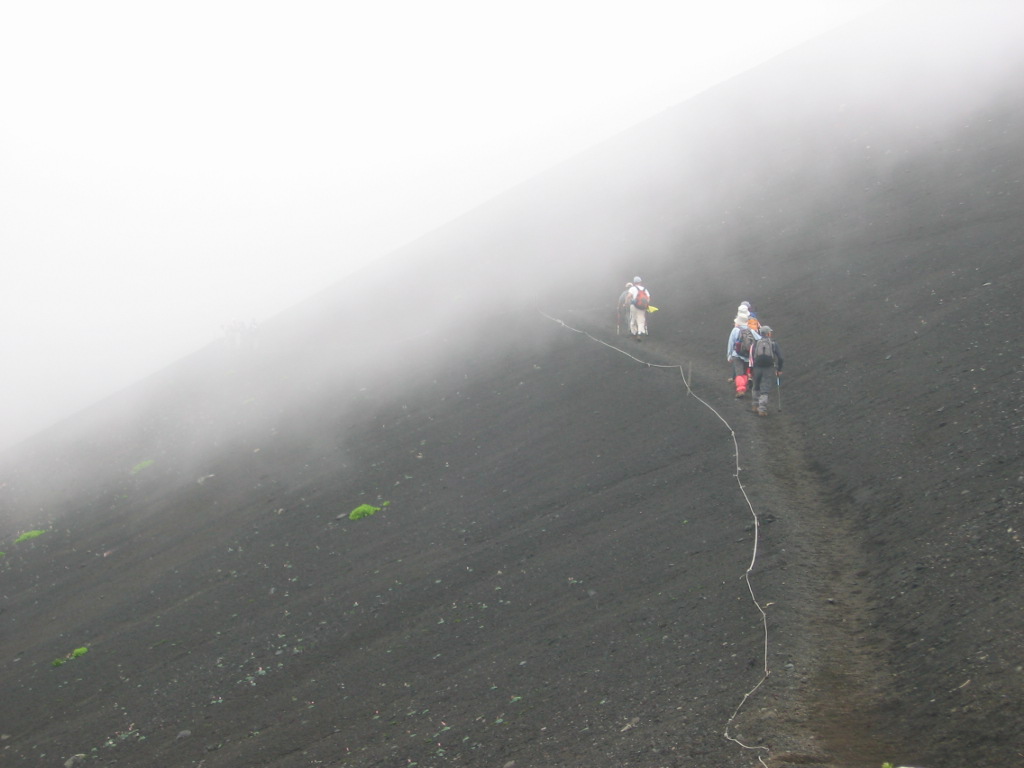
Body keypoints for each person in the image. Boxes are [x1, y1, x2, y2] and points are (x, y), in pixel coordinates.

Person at [748, 325, 783, 416]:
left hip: (757, 368)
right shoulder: (773, 344)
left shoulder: (755, 344)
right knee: (765, 388)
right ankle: (762, 409)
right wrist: (779, 369)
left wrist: (750, 370)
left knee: (756, 386)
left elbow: (751, 358)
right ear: (768, 334)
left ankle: (755, 405)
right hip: (768, 368)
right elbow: (780, 358)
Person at [726, 304, 757, 397]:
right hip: (748, 355)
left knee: (739, 373)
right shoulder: (751, 330)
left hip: (737, 354)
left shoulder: (735, 330)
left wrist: (729, 355)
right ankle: (744, 386)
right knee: (744, 372)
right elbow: (758, 340)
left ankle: (740, 390)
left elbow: (731, 343)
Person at [628, 276, 650, 341]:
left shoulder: (632, 288)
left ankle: (634, 333)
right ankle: (639, 333)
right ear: (640, 282)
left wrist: (627, 302)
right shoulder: (645, 289)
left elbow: (629, 296)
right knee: (641, 320)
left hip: (634, 306)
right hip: (642, 306)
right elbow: (648, 298)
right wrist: (646, 305)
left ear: (634, 282)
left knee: (633, 319)